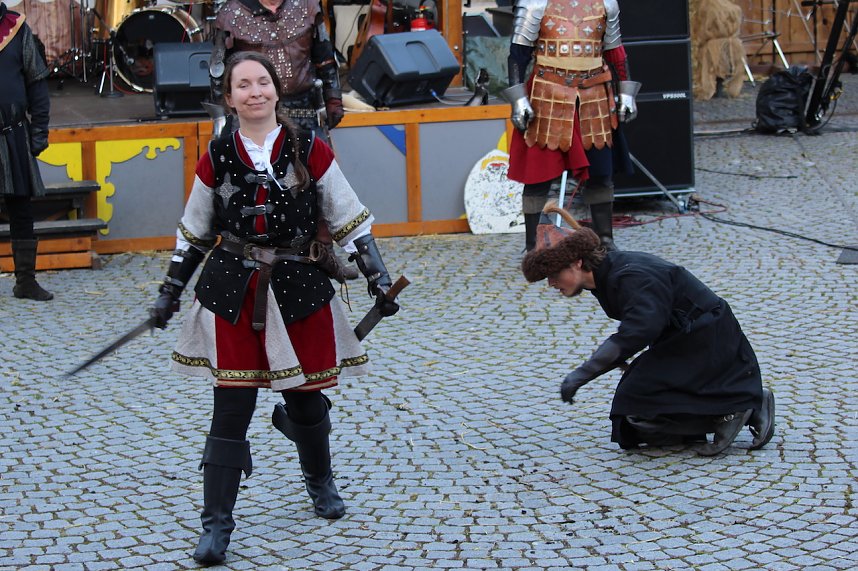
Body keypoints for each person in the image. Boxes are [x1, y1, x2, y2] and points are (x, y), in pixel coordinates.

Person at [150, 51, 399, 565]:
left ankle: (320, 481)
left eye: (263, 82)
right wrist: (169, 291)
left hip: (299, 286)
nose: (255, 92)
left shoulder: (310, 147)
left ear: (276, 91)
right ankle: (216, 524)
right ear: (229, 97)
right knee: (231, 407)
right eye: (244, 85)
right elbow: (194, 230)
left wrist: (376, 274)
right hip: (234, 290)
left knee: (306, 401)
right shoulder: (217, 154)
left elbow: (348, 214)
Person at [521, 205, 776, 456]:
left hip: (706, 339)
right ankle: (736, 405)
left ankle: (735, 410)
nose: (552, 284)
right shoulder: (604, 275)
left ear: (577, 263)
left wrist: (582, 374)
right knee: (632, 417)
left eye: (554, 275)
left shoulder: (631, 277)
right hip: (678, 339)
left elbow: (637, 331)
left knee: (635, 413)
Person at [209, 0, 358, 279]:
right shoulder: (231, 14)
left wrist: (334, 99)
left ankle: (323, 252)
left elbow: (325, 58)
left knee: (320, 182)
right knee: (247, 185)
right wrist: (225, 119)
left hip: (302, 107)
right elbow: (219, 72)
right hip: (254, 113)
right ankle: (245, 254)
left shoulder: (308, 7)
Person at [502, 0, 640, 252]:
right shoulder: (535, 2)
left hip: (594, 94)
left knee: (601, 173)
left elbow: (615, 50)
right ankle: (533, 244)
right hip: (548, 93)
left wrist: (627, 92)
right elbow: (518, 53)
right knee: (538, 176)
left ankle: (604, 240)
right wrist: (519, 99)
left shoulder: (606, 3)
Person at [0, 2, 52, 301]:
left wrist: (39, 130)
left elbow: (36, 84)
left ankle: (25, 281)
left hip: (12, 134)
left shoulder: (17, 29)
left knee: (21, 208)